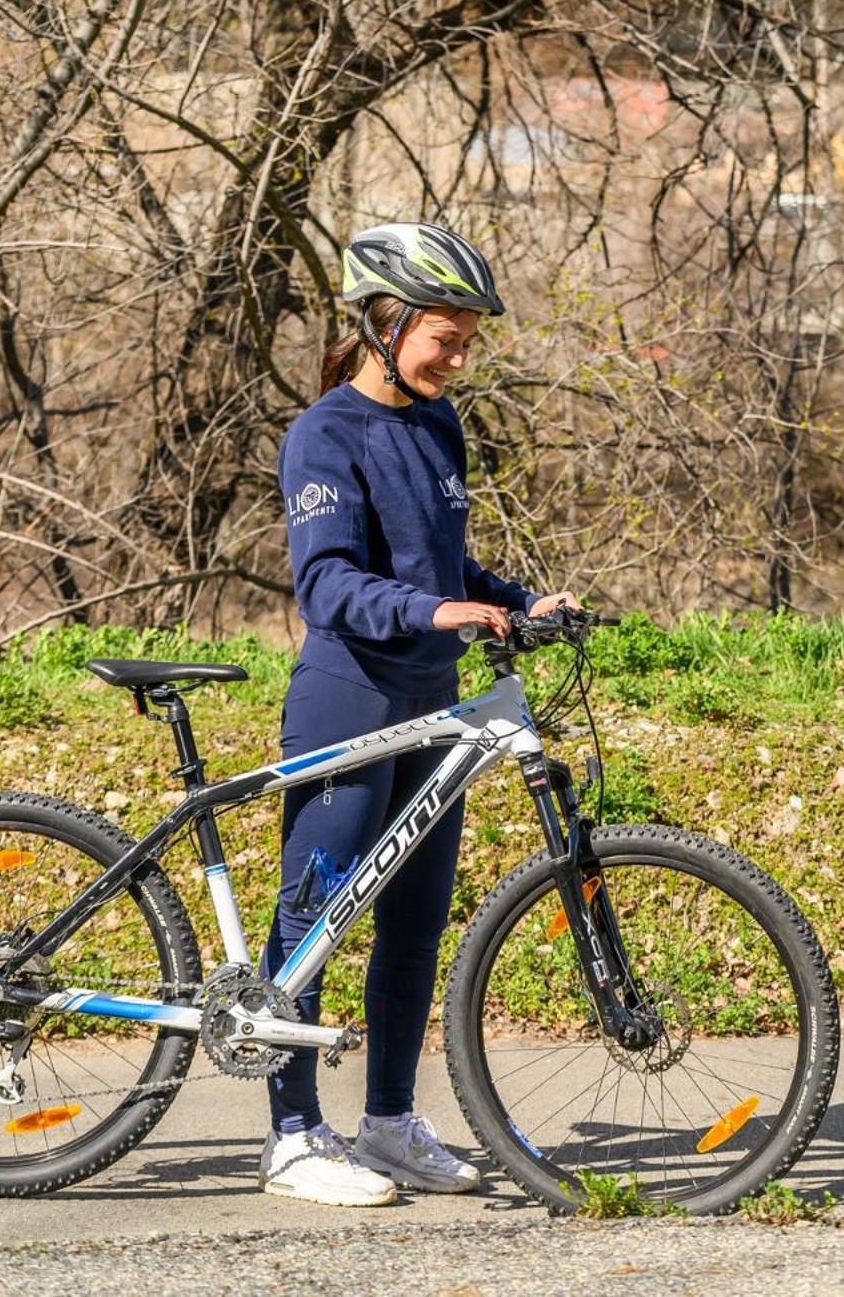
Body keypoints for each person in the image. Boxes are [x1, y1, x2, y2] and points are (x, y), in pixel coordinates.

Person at [260, 222, 579, 1206]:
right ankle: (289, 1135)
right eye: (444, 334)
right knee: (314, 914)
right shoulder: (325, 433)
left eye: (466, 340)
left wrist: (514, 600)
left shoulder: (439, 426)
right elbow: (330, 585)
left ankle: (389, 1122)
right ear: (382, 321)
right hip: (350, 696)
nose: (457, 355)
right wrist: (434, 609)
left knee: (413, 924)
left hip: (433, 703)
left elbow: (442, 565)